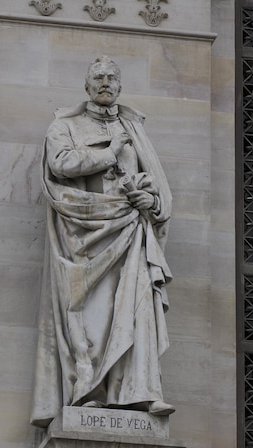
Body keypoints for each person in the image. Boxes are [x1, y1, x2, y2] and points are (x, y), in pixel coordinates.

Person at [30, 56, 174, 428]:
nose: (105, 82)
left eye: (112, 77)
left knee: (137, 307)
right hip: (83, 237)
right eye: (98, 77)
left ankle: (140, 391)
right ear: (87, 85)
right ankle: (88, 392)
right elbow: (60, 163)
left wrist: (151, 201)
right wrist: (108, 153)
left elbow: (157, 185)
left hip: (129, 230)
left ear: (120, 85)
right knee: (91, 316)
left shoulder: (134, 128)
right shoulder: (65, 125)